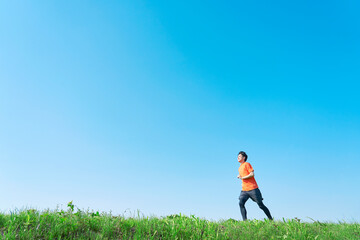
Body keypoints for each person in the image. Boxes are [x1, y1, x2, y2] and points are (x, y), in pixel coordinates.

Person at [237, 151, 273, 221]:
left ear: (244, 158)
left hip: (253, 189)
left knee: (261, 205)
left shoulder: (247, 164)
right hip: (244, 190)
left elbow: (252, 174)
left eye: (239, 156)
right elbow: (244, 175)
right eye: (237, 156)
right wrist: (240, 176)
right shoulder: (239, 168)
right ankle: (245, 222)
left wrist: (243, 177)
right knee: (241, 203)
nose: (238, 157)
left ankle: (271, 219)